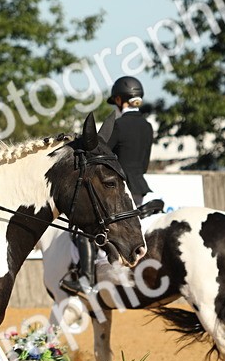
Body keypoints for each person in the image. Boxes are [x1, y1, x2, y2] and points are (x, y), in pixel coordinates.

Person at [58, 75, 155, 294]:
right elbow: (145, 162)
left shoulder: (118, 126)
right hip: (140, 187)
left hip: (115, 189)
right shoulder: (147, 126)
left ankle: (86, 278)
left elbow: (100, 156)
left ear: (121, 99)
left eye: (117, 101)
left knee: (82, 230)